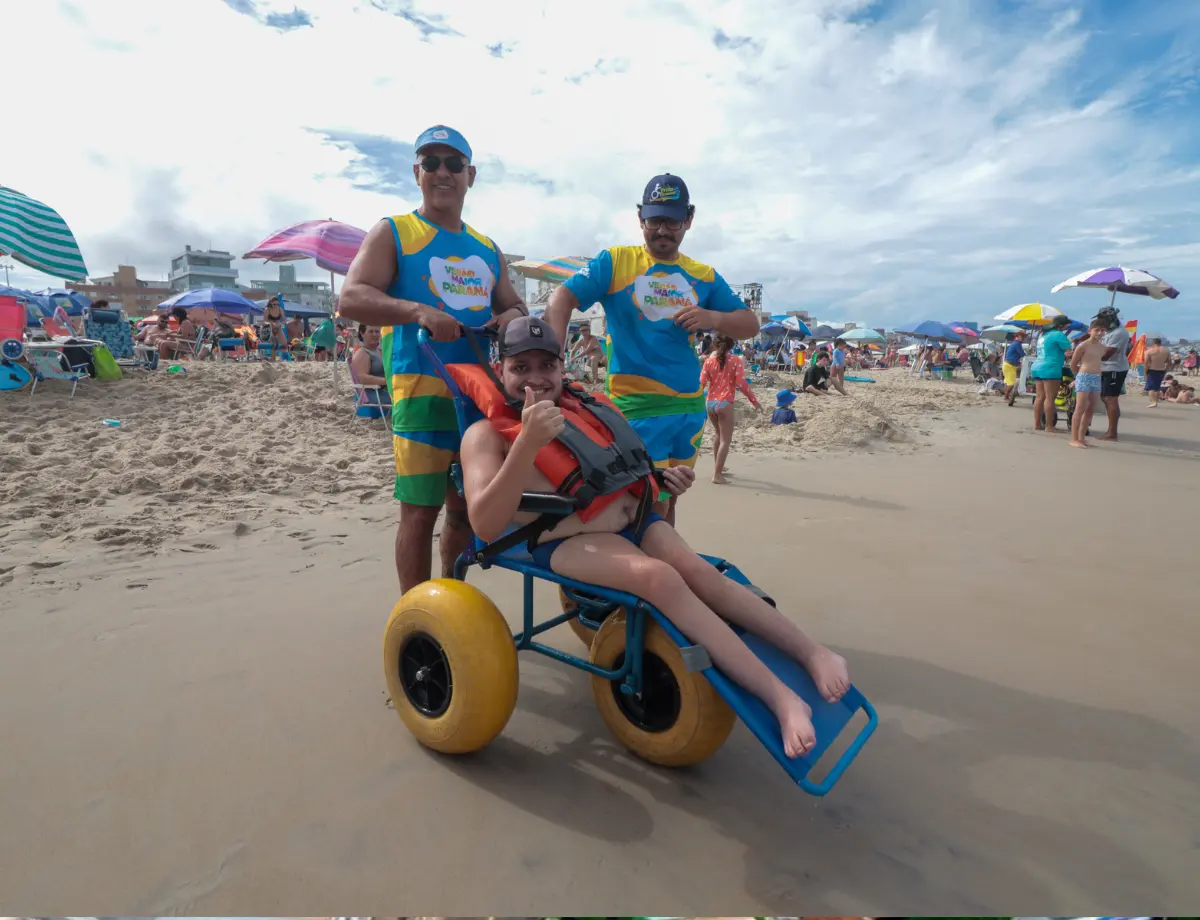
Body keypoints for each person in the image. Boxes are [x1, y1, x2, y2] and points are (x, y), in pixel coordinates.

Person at [458, 316, 850, 758]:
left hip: (634, 520)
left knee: (705, 576)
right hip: (560, 541)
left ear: (562, 368)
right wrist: (527, 443)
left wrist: (663, 481)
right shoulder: (484, 435)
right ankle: (781, 698)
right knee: (660, 580)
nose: (535, 377)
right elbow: (485, 525)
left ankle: (813, 653)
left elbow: (613, 471)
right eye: (521, 367)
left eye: (545, 365)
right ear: (499, 369)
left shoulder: (581, 407)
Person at [339, 124, 528, 592]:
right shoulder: (394, 231)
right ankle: (416, 614)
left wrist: (511, 318)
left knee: (465, 510)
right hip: (419, 390)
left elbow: (515, 305)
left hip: (476, 396)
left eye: (453, 164)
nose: (443, 173)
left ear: (471, 175)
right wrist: (418, 311)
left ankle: (451, 595)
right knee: (420, 513)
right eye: (432, 163)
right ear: (417, 173)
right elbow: (352, 298)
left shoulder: (487, 248)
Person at [545, 173, 759, 526]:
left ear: (688, 219)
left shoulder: (703, 275)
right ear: (640, 217)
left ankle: (661, 569)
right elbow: (561, 298)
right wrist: (553, 363)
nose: (662, 230)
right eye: (654, 219)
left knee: (668, 501)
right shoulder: (615, 262)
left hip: (689, 409)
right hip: (634, 409)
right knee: (637, 503)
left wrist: (712, 316)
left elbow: (749, 324)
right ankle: (638, 575)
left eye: (672, 220)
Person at [699, 334, 762, 484]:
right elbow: (741, 383)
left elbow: (701, 383)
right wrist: (754, 402)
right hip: (725, 402)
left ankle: (718, 467)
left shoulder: (708, 361)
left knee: (718, 436)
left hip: (710, 402)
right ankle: (717, 475)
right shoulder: (736, 361)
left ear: (715, 345)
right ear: (732, 345)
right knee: (725, 440)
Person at [1030, 314, 1074, 433]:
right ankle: (1049, 426)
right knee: (1050, 398)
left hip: (1037, 366)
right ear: (1061, 325)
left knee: (1039, 397)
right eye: (1065, 325)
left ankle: (1037, 424)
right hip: (1051, 367)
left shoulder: (1043, 335)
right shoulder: (1059, 335)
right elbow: (1069, 352)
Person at [1068, 320, 1108, 448]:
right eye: (1097, 330)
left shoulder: (1103, 348)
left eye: (1102, 330)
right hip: (1084, 376)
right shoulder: (1083, 346)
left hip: (1096, 377)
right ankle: (1074, 439)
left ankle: (1081, 437)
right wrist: (1077, 378)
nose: (1099, 333)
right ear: (1090, 331)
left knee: (1090, 409)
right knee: (1080, 407)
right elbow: (1073, 364)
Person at [1095, 306, 1131, 440]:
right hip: (1105, 368)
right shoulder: (1107, 331)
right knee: (1105, 398)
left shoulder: (1119, 333)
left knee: (1111, 399)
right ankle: (1110, 430)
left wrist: (1089, 354)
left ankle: (1112, 432)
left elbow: (1107, 355)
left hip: (1115, 368)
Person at [350, 324, 392, 410]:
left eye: (377, 331)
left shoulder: (379, 351)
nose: (375, 334)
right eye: (371, 331)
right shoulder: (362, 353)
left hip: (385, 390)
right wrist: (388, 381)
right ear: (362, 333)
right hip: (375, 393)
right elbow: (362, 378)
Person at [1144, 337, 1170, 407]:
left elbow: (1146, 363)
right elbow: (1169, 362)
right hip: (1162, 370)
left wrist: (1145, 372)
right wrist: (1166, 370)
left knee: (1150, 387)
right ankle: (1156, 401)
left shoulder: (1150, 351)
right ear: (1160, 343)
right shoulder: (1166, 351)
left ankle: (1153, 402)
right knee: (1157, 387)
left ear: (1153, 343)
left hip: (1152, 370)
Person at [1002, 332, 1026, 404]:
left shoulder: (1014, 343)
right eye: (1021, 336)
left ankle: (1006, 397)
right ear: (1017, 336)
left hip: (1007, 365)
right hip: (1009, 366)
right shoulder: (1017, 344)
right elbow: (1022, 354)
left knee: (1008, 383)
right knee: (1011, 384)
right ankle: (1006, 397)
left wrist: (1018, 363)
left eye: (1023, 336)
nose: (1023, 338)